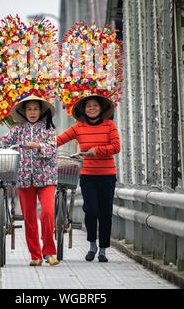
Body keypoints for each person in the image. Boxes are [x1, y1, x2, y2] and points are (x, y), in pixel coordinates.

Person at [0, 95, 59, 267]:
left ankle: (49, 252)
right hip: (24, 178)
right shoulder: (18, 130)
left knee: (47, 213)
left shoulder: (48, 129)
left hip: (46, 177)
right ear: (24, 112)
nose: (32, 112)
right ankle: (35, 255)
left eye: (36, 109)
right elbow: (1, 143)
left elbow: (52, 150)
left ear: (41, 111)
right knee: (30, 218)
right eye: (29, 109)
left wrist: (39, 146)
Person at [57, 95, 120, 263]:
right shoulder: (79, 127)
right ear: (83, 110)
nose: (92, 108)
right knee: (91, 210)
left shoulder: (109, 125)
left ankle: (103, 250)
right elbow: (59, 140)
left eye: (96, 105)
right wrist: (41, 146)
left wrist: (97, 150)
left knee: (105, 213)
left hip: (107, 175)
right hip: (88, 175)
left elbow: (116, 147)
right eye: (88, 106)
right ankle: (92, 245)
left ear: (101, 108)